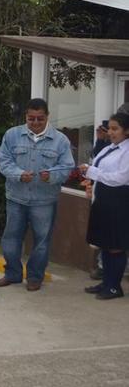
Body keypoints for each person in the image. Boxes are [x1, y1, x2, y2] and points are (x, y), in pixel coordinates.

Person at [0, 98, 74, 292]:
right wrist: (19, 174)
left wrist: (52, 176)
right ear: (26, 117)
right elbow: (4, 162)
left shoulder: (60, 140)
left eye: (40, 118)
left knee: (41, 240)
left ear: (47, 116)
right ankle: (12, 273)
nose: (36, 123)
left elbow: (67, 167)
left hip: (44, 200)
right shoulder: (12, 135)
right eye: (32, 118)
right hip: (16, 197)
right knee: (11, 238)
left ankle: (34, 277)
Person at [80, 112, 129, 300]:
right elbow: (97, 165)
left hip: (119, 201)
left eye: (116, 129)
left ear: (127, 131)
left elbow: (121, 178)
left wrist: (93, 172)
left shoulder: (126, 151)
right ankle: (106, 282)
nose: (111, 132)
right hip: (104, 200)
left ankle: (115, 286)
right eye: (110, 128)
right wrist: (89, 170)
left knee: (116, 245)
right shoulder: (110, 148)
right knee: (105, 244)